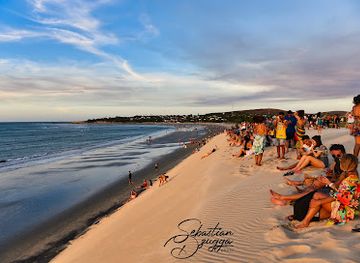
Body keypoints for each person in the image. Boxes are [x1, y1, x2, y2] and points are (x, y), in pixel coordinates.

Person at [294, 154, 359, 228]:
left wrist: (319, 202)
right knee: (317, 195)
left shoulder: (351, 180)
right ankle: (308, 218)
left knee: (317, 200)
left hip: (346, 211)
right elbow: (342, 191)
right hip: (345, 204)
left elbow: (340, 196)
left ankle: (305, 221)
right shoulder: (350, 175)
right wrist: (329, 183)